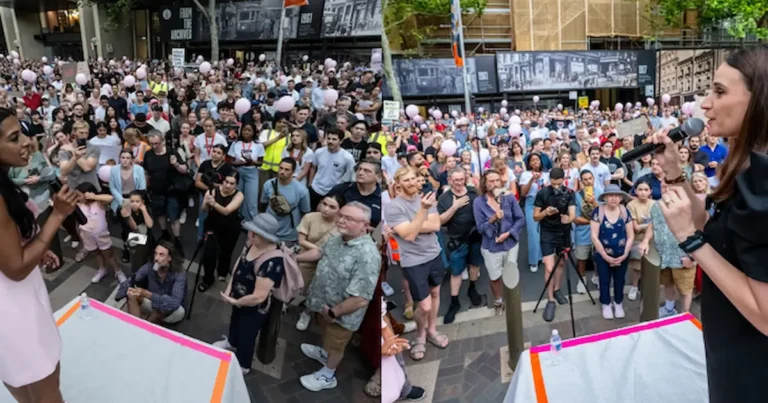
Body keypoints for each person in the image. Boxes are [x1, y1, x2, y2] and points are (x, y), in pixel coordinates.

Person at [646, 46, 768, 403]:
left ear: (758, 99)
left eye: (719, 91)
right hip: (728, 344)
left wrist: (690, 240)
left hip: (752, 366)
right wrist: (672, 172)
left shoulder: (763, 179)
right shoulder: (746, 164)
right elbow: (715, 234)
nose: (705, 105)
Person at [0, 107, 79, 403]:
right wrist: (57, 216)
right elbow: (16, 268)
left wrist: (35, 248)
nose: (27, 142)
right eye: (14, 137)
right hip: (14, 309)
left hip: (12, 302)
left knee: (23, 383)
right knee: (45, 389)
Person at [297, 202, 380, 392]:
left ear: (364, 225)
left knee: (337, 344)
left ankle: (328, 375)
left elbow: (361, 298)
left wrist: (334, 312)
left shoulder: (367, 255)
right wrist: (295, 258)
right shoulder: (338, 237)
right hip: (324, 304)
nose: (341, 220)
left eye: (348, 218)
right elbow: (319, 252)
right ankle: (325, 354)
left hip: (340, 315)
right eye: (341, 215)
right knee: (328, 336)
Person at [384, 168, 447, 361]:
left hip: (434, 254)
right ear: (398, 184)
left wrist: (412, 225)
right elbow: (409, 235)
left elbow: (435, 226)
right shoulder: (394, 207)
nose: (413, 182)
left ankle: (432, 330)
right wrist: (423, 212)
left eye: (414, 178)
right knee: (424, 305)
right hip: (413, 261)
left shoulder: (426, 198)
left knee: (435, 293)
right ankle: (420, 335)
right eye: (407, 180)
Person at [212, 214, 285, 375]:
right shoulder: (253, 243)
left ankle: (243, 365)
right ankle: (231, 343)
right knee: (235, 321)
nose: (250, 234)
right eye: (251, 231)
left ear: (266, 238)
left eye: (255, 233)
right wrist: (230, 287)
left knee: (247, 334)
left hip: (254, 308)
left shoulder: (272, 261)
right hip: (239, 298)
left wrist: (236, 302)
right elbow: (241, 260)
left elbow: (259, 296)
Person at [473, 169, 525, 315]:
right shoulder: (479, 202)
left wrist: (509, 233)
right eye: (491, 181)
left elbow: (520, 218)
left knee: (511, 273)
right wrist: (493, 218)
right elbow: (480, 228)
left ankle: (512, 300)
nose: (495, 184)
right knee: (495, 277)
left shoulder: (508, 198)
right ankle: (498, 300)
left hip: (510, 244)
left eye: (497, 180)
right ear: (485, 183)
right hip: (491, 246)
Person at [436, 168, 482, 324]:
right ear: (449, 180)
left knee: (475, 265)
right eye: (455, 180)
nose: (458, 182)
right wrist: (455, 206)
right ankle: (454, 301)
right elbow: (440, 221)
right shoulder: (444, 198)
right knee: (456, 272)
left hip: (475, 237)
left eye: (461, 179)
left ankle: (472, 288)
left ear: (465, 178)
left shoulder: (473, 192)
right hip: (457, 241)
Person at [533, 168, 576, 322]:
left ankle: (557, 289)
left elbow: (572, 213)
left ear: (564, 180)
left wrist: (569, 219)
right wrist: (545, 213)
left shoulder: (570, 192)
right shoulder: (542, 193)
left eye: (559, 184)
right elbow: (535, 217)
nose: (556, 186)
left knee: (561, 264)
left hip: (563, 232)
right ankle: (550, 299)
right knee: (549, 267)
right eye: (553, 183)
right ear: (549, 180)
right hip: (547, 233)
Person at [295, 195, 343, 331]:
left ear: (340, 210)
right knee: (298, 287)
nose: (326, 209)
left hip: (326, 265)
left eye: (332, 207)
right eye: (324, 204)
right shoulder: (310, 217)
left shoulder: (341, 225)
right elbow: (301, 240)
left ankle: (306, 313)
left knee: (316, 292)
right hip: (305, 260)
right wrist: (319, 249)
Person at [590, 184, 634, 320]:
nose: (614, 198)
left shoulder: (625, 211)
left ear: (621, 198)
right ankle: (606, 303)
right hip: (602, 253)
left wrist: (625, 254)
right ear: (605, 197)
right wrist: (604, 255)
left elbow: (631, 235)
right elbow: (594, 236)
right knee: (604, 280)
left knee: (620, 279)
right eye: (610, 196)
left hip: (622, 253)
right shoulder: (598, 212)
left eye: (616, 196)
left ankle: (618, 302)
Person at [115, 241, 187, 324]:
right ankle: (136, 324)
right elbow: (133, 279)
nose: (156, 258)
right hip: (152, 302)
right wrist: (124, 292)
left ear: (170, 258)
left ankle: (146, 323)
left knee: (174, 309)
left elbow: (174, 302)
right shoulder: (149, 266)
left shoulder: (179, 273)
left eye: (161, 255)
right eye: (155, 254)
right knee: (131, 295)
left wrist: (148, 294)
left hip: (169, 309)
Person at [199, 171, 244, 292]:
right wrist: (206, 202)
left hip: (230, 228)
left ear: (236, 185)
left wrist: (214, 203)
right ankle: (208, 279)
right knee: (208, 254)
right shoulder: (214, 190)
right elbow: (203, 210)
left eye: (232, 183)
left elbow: (226, 211)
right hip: (213, 226)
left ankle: (222, 271)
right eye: (226, 182)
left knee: (226, 252)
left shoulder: (239, 195)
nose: (228, 186)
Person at [308, 129, 356, 210]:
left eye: (334, 139)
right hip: (316, 189)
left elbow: (350, 177)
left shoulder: (348, 157)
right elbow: (313, 167)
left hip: (334, 192)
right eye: (329, 138)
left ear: (341, 141)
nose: (330, 141)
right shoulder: (319, 152)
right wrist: (310, 184)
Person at [519, 153, 549, 273]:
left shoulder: (547, 174)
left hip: (544, 203)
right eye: (533, 160)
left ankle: (542, 255)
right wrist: (532, 180)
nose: (535, 162)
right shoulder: (525, 175)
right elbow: (523, 193)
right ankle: (533, 260)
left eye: (537, 160)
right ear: (529, 163)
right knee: (533, 232)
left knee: (544, 231)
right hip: (531, 203)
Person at [625, 180, 655, 301]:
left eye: (646, 190)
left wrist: (646, 226)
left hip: (653, 239)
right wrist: (650, 225)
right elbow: (635, 227)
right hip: (637, 239)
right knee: (636, 267)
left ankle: (648, 287)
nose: (643, 192)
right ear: (636, 191)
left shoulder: (655, 204)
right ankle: (634, 286)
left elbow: (657, 224)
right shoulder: (631, 205)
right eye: (640, 190)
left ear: (650, 191)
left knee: (651, 266)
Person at [228, 123, 264, 222]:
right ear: (241, 131)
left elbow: (260, 162)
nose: (246, 132)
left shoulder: (258, 145)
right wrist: (237, 163)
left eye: (249, 130)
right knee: (237, 197)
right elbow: (230, 160)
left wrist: (252, 162)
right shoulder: (236, 144)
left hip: (252, 172)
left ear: (253, 132)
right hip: (238, 172)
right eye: (244, 130)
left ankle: (252, 222)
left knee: (251, 200)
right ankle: (237, 219)